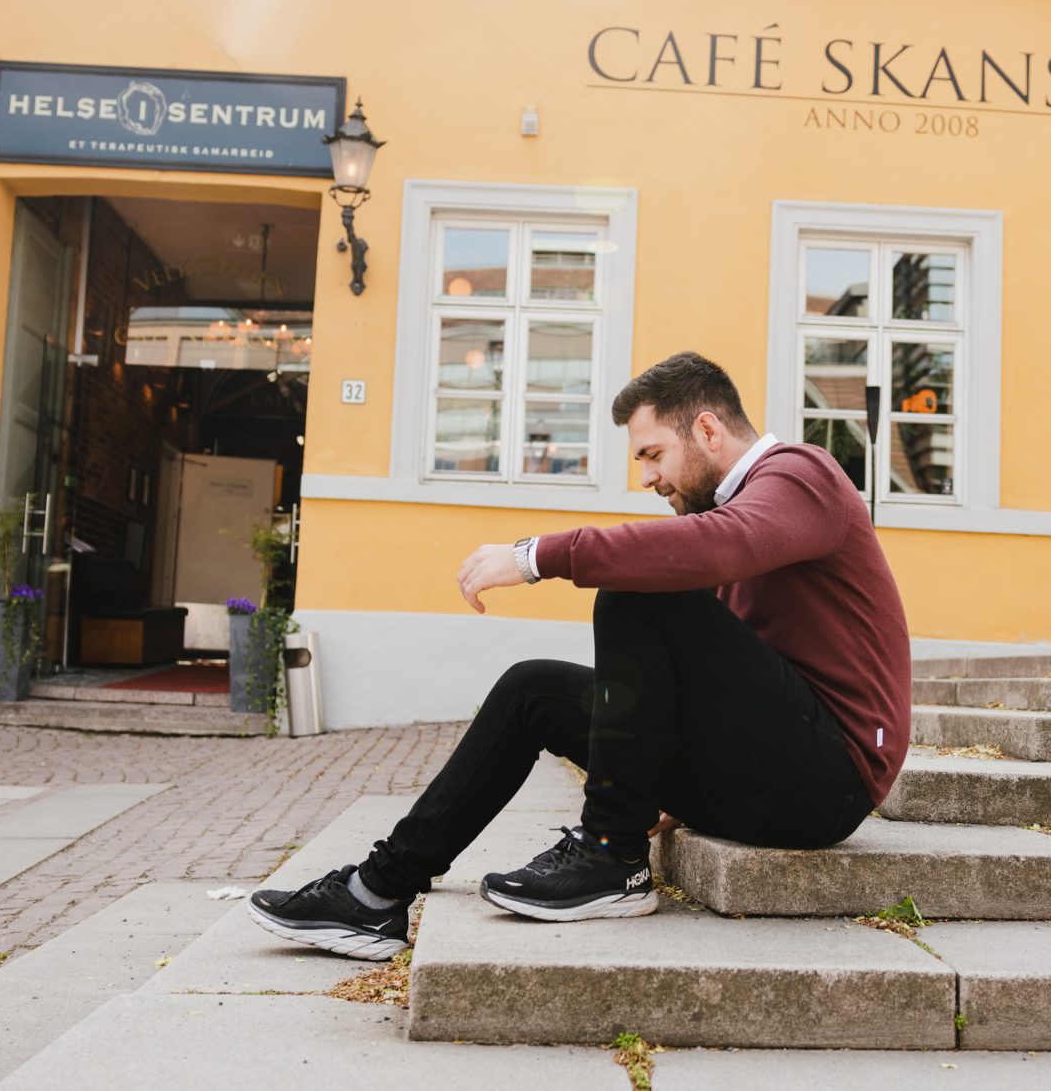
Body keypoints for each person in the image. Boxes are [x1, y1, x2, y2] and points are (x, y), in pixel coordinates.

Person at [245, 351, 911, 960]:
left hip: (831, 779)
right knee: (532, 689)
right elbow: (710, 676)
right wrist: (656, 775)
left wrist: (536, 556)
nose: (647, 477)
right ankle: (376, 892)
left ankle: (610, 856)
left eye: (653, 454)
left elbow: (722, 547)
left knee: (639, 583)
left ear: (708, 430)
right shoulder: (723, 514)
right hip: (759, 769)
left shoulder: (801, 475)